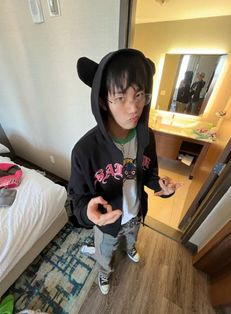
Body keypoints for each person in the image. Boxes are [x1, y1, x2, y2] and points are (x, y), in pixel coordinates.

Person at [68, 48, 181, 295]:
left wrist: (162, 186)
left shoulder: (145, 136)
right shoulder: (84, 151)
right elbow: (77, 200)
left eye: (139, 95)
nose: (134, 108)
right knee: (105, 252)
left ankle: (130, 249)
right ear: (102, 101)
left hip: (135, 215)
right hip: (107, 224)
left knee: (132, 239)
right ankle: (104, 274)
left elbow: (150, 174)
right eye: (120, 97)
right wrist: (89, 214)